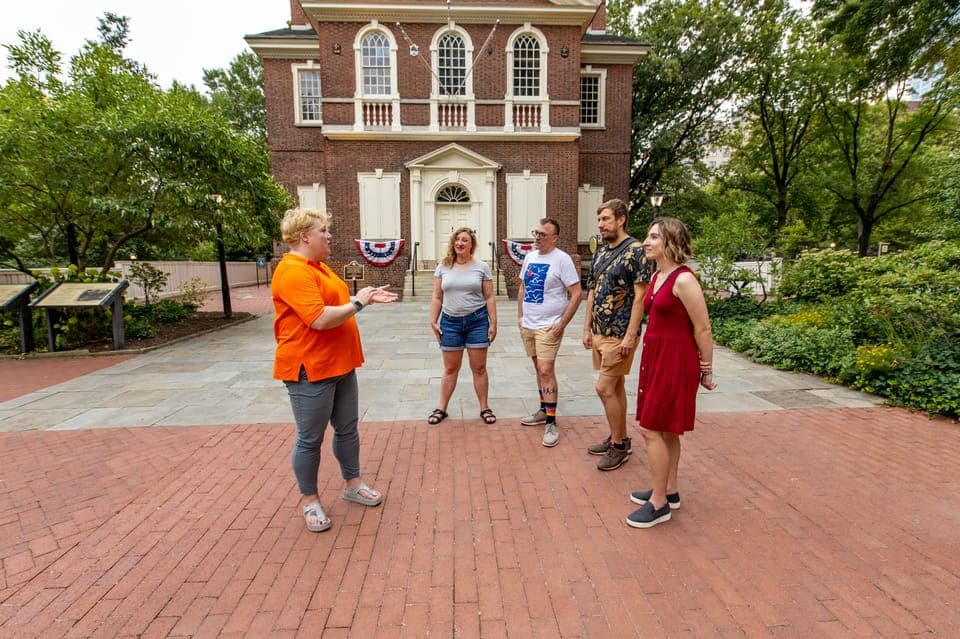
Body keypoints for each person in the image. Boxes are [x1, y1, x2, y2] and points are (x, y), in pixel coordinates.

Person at [271, 207, 398, 533]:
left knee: (347, 428)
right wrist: (359, 303)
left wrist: (358, 297)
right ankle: (310, 500)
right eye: (324, 231)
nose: (329, 236)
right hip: (309, 367)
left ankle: (352, 484)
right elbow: (318, 319)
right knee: (310, 439)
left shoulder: (319, 268)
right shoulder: (293, 271)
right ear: (305, 237)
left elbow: (332, 305)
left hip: (339, 363)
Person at [627, 216, 717, 528]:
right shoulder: (658, 277)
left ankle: (659, 503)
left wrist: (706, 370)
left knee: (650, 429)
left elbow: (703, 329)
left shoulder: (683, 280)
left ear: (670, 242)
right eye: (647, 237)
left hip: (676, 362)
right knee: (665, 429)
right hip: (657, 358)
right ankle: (670, 489)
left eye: (653, 237)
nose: (647, 242)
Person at [582, 198, 655, 471]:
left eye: (606, 219)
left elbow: (641, 295)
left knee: (603, 388)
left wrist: (631, 335)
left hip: (620, 333)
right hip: (599, 331)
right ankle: (619, 437)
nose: (601, 225)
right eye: (599, 220)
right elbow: (592, 291)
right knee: (616, 387)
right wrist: (586, 327)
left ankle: (618, 446)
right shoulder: (601, 252)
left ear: (621, 219)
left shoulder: (636, 251)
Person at [518, 217, 582, 447]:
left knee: (545, 369)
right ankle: (544, 410)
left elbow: (576, 293)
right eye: (535, 232)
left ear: (554, 238)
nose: (536, 237)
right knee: (538, 368)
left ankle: (551, 423)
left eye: (542, 234)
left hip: (550, 324)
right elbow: (523, 287)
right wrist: (520, 316)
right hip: (529, 323)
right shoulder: (529, 257)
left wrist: (562, 323)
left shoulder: (562, 260)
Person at [428, 227, 498, 425]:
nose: (460, 243)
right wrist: (433, 320)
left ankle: (484, 407)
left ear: (471, 245)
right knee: (450, 368)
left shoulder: (482, 267)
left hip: (477, 321)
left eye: (464, 240)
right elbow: (437, 296)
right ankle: (442, 407)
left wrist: (493, 323)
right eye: (457, 239)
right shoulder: (443, 266)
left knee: (479, 368)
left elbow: (490, 297)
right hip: (450, 322)